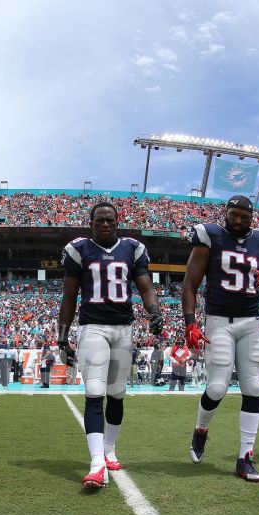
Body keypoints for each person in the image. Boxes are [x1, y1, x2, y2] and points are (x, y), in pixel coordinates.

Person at [57, 201, 163, 489]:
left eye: (110, 220)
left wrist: (154, 312)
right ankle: (96, 463)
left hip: (124, 329)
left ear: (118, 222)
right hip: (93, 327)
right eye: (99, 220)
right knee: (94, 392)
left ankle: (109, 449)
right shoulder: (79, 250)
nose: (105, 224)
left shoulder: (132, 248)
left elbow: (145, 288)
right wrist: (62, 336)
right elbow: (69, 297)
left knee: (117, 393)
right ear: (91, 224)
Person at [181, 195, 259, 482]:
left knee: (253, 387)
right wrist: (190, 323)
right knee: (217, 388)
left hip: (251, 322)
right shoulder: (210, 235)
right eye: (233, 214)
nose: (238, 220)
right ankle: (201, 430)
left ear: (252, 218)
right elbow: (190, 285)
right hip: (219, 321)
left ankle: (245, 457)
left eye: (244, 216)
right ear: (226, 213)